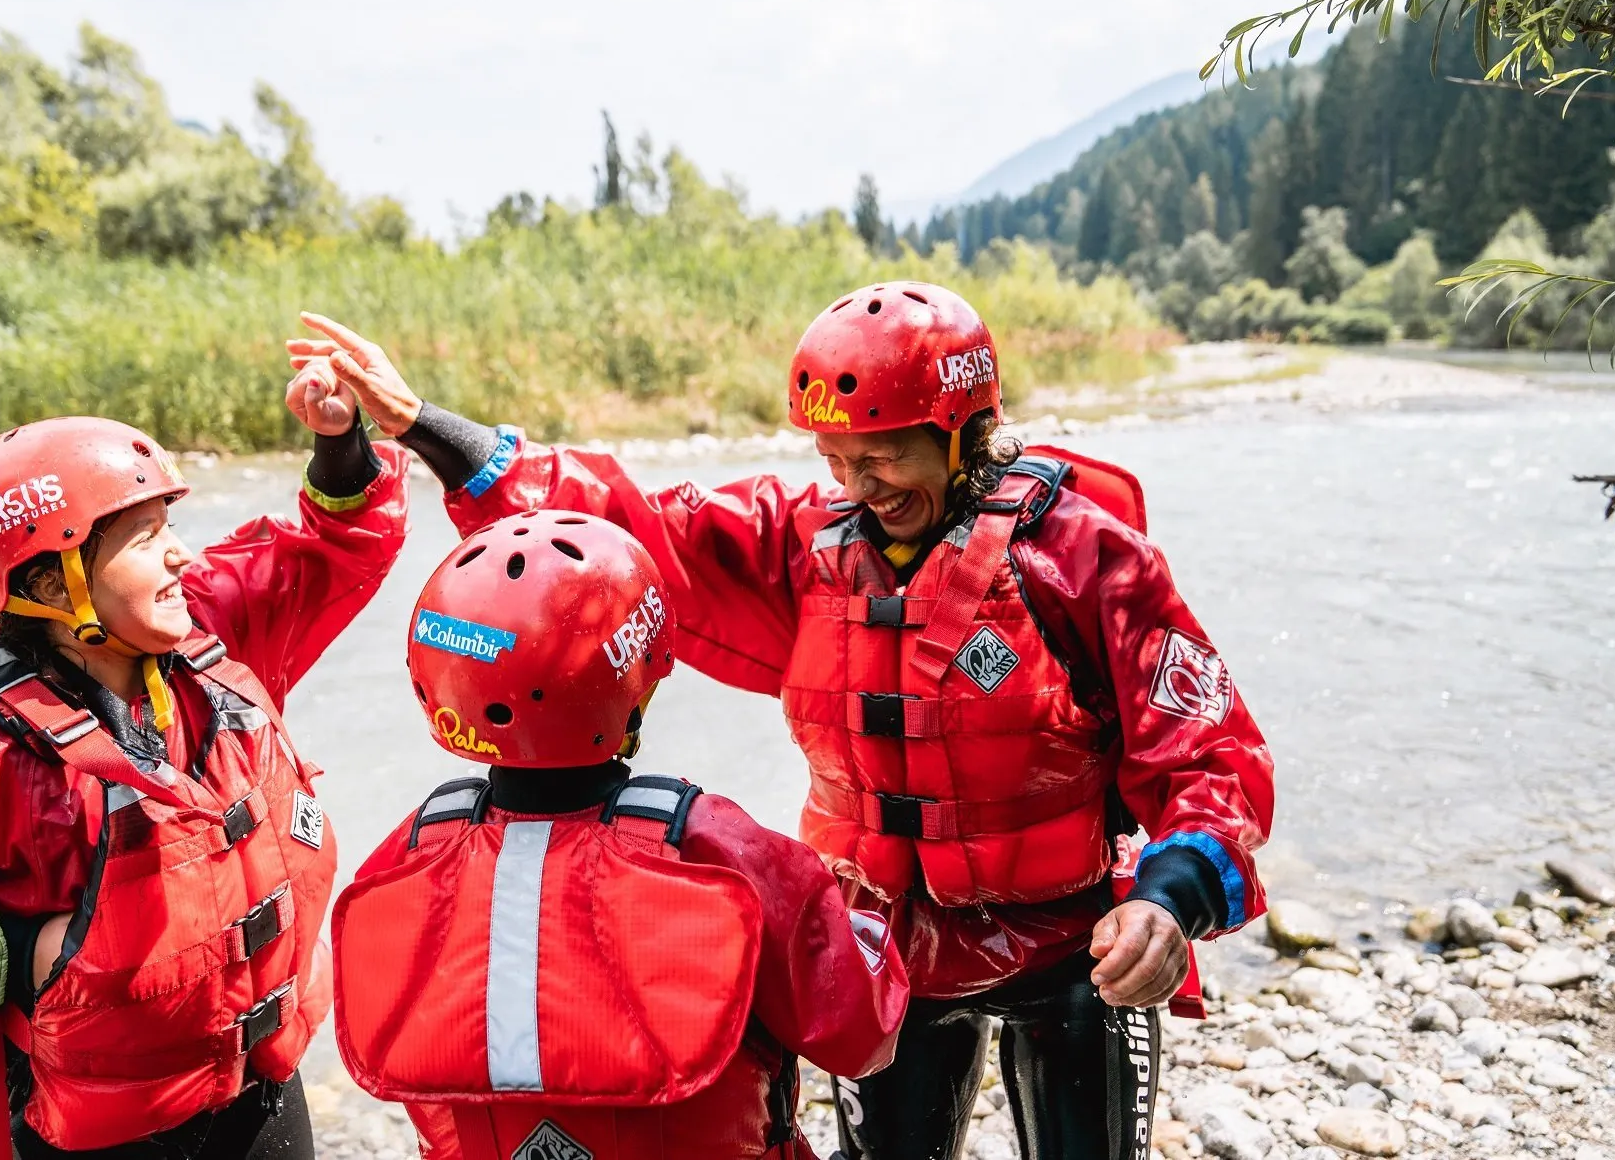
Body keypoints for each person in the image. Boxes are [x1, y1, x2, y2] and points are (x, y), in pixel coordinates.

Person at [290, 287, 1275, 1160]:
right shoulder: (800, 546)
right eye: (835, 457)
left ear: (960, 426)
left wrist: (1169, 898)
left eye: (883, 452)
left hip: (1075, 951)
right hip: (888, 958)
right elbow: (616, 520)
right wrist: (425, 426)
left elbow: (1206, 750)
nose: (858, 484)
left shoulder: (1086, 558)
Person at [0, 340, 410, 1160]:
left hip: (258, 1094)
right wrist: (26, 952)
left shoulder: (207, 635)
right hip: (105, 1135)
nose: (182, 553)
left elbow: (330, 549)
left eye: (168, 525)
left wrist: (339, 441)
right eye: (146, 539)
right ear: (49, 587)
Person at [333, 511, 908, 1159]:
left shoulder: (401, 860)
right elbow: (861, 1036)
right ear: (641, 667)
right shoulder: (720, 851)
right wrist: (861, 918)